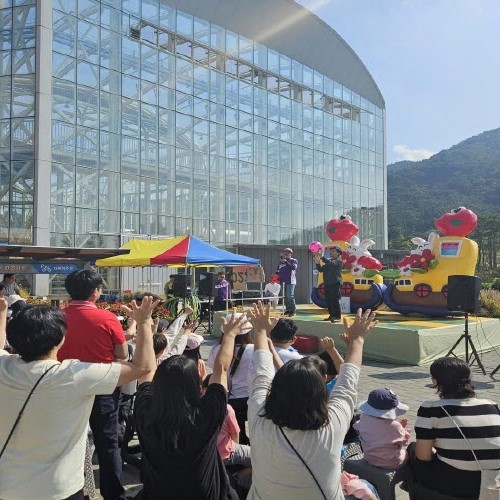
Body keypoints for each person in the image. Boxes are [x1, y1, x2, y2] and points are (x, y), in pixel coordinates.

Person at [0, 296, 156, 500]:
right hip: (57, 489)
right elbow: (143, 367)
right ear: (60, 339)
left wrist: (2, 314)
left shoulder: (4, 367)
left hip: (7, 485)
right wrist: (144, 322)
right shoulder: (74, 375)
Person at [247, 301, 378, 500]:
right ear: (321, 387)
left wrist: (260, 330)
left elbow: (262, 371)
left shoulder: (259, 418)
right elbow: (348, 380)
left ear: (276, 388)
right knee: (368, 487)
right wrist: (357, 339)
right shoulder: (333, 425)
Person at [133, 312, 251, 500]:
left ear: (159, 382)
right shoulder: (206, 413)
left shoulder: (145, 410)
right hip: (206, 494)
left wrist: (144, 324)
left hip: (158, 493)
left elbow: (146, 370)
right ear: (196, 382)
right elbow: (221, 369)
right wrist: (230, 335)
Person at [57, 270, 129, 500]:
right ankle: (113, 494)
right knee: (108, 442)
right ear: (96, 292)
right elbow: (122, 354)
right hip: (103, 385)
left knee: (69, 441)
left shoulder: (57, 317)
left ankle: (74, 490)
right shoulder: (107, 318)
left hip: (65, 385)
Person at [411, 356, 500, 499]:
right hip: (493, 481)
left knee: (413, 450)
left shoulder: (430, 409)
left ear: (435, 381)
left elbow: (423, 456)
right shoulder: (491, 405)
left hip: (461, 484)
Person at [207, 312, 254, 445]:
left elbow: (215, 370)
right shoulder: (254, 349)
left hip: (228, 397)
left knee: (235, 431)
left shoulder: (216, 349)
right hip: (249, 397)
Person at [354, 388, 411, 469]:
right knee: (408, 453)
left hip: (369, 458)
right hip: (391, 462)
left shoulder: (363, 418)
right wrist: (402, 429)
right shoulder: (395, 426)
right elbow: (404, 442)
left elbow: (359, 427)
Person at [314, 246, 343, 322]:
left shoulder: (338, 261)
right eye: (330, 251)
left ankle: (337, 316)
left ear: (338, 253)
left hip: (335, 283)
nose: (331, 253)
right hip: (327, 283)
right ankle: (332, 315)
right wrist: (317, 263)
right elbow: (321, 270)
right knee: (328, 300)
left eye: (333, 251)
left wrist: (322, 257)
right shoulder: (329, 262)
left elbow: (331, 263)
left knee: (334, 300)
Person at [275, 248, 298, 317]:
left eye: (288, 252)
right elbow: (277, 272)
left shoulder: (294, 260)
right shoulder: (280, 262)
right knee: (285, 296)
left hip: (291, 281)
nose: (286, 253)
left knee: (290, 296)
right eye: (285, 252)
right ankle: (288, 310)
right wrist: (275, 277)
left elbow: (293, 268)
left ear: (291, 254)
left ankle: (293, 311)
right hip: (283, 281)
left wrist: (286, 262)